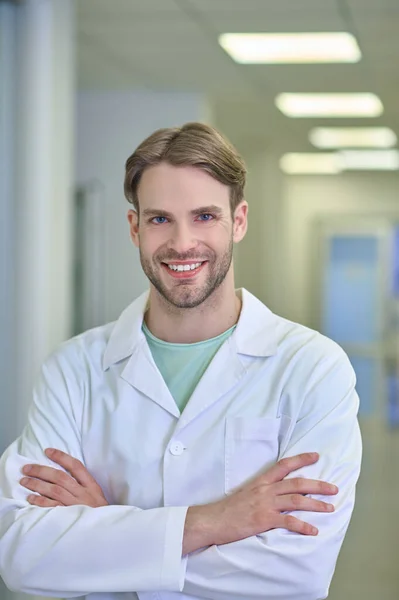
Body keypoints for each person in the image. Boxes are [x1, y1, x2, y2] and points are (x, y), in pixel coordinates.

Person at [0, 122, 362, 600]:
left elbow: (296, 572)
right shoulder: (73, 370)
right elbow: (21, 555)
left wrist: (106, 534)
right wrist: (214, 522)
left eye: (205, 216)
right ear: (135, 228)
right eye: (159, 219)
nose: (182, 242)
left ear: (239, 221)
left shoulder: (313, 369)